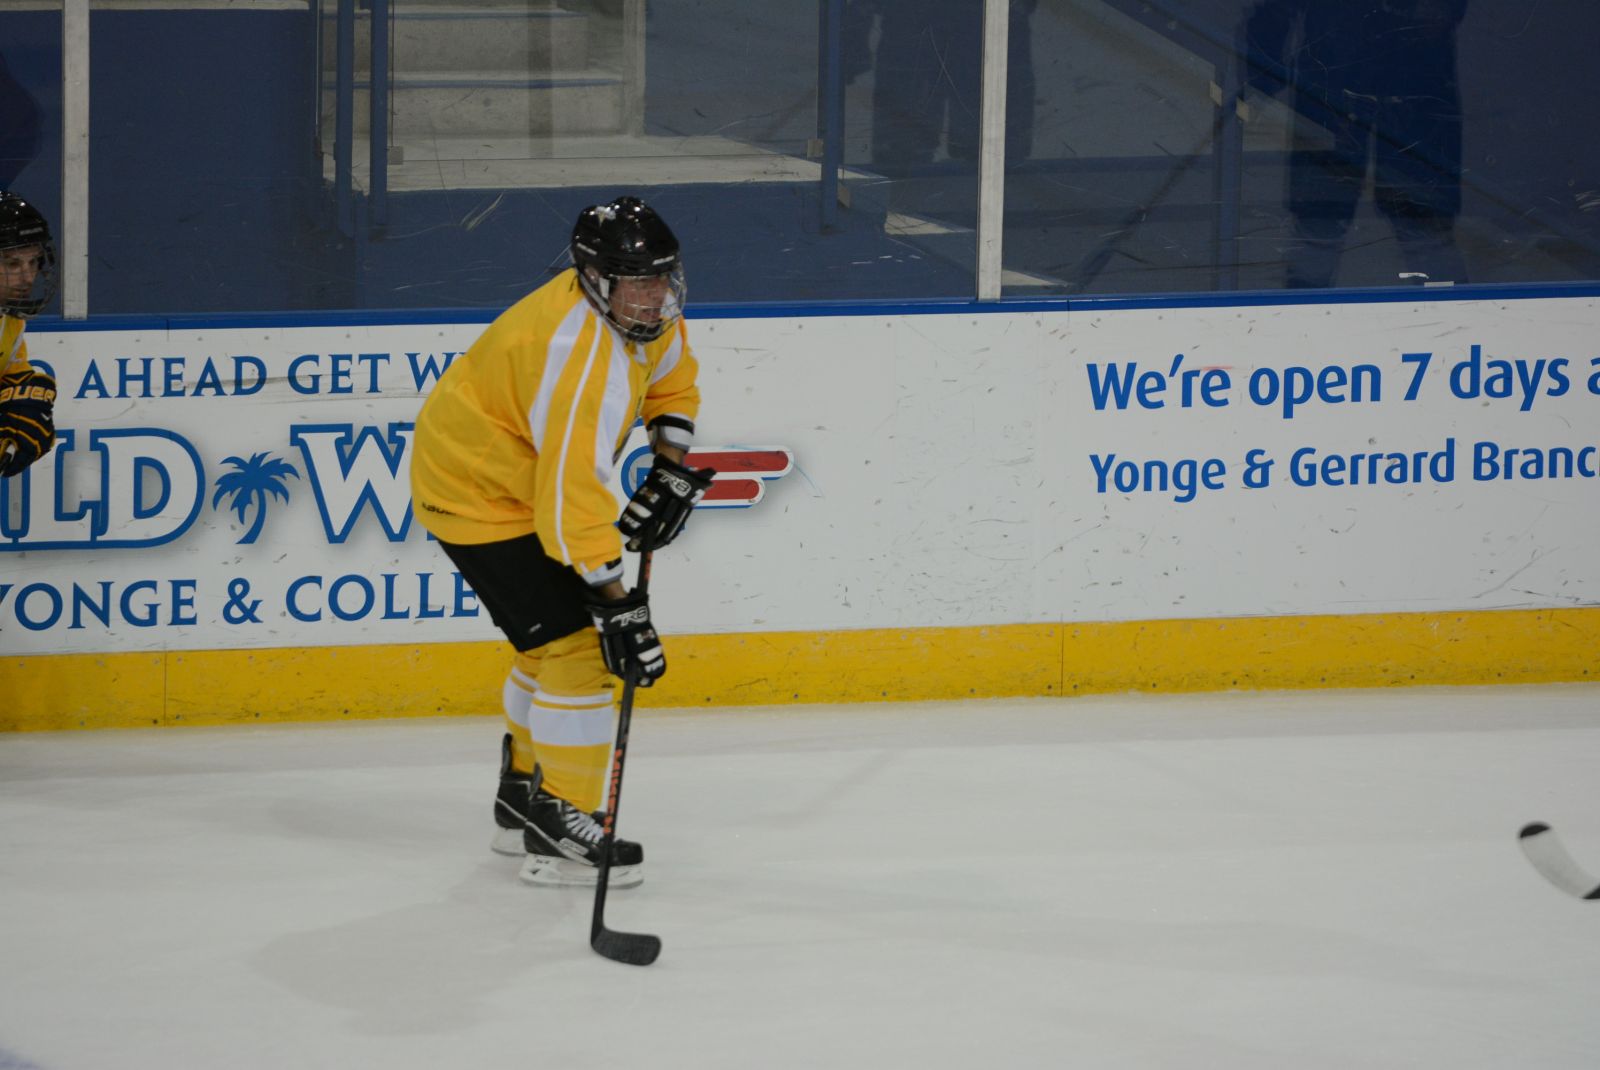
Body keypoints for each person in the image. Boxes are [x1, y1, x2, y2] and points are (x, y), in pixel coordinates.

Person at [410, 195, 714, 889]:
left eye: (662, 277)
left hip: (502, 478)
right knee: (579, 646)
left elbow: (673, 382)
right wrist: (615, 600)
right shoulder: (578, 357)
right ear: (596, 280)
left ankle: (522, 799)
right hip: (478, 495)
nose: (655, 295)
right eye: (638, 282)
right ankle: (560, 822)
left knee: (545, 646)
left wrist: (669, 468)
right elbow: (569, 499)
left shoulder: (641, 317)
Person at [1243, 0, 1471, 288]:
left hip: (1413, 98)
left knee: (1425, 230)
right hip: (1334, 98)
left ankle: (1450, 310)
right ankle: (1303, 310)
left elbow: (1442, 13)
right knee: (1320, 224)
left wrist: (1260, 81)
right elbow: (1275, 11)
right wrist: (1260, 81)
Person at [1, 190, 57, 480]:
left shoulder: (9, 320)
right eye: (12, 264)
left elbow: (14, 380)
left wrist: (23, 409)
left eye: (33, 262)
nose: (27, 277)